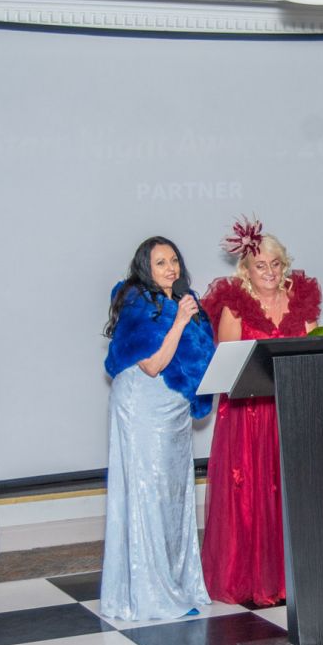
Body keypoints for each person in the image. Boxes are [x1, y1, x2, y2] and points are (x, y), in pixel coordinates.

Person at [199, 219, 321, 604]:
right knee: (249, 493)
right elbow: (228, 367)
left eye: (275, 264)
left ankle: (288, 577)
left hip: (290, 412)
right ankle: (250, 579)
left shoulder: (301, 300)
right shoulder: (235, 306)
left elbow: (314, 355)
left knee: (288, 492)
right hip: (247, 415)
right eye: (260, 265)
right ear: (246, 270)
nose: (269, 271)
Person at [100, 236, 214, 621]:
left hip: (173, 411)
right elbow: (153, 365)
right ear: (145, 268)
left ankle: (179, 583)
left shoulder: (185, 300)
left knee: (174, 497)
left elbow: (200, 359)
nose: (171, 268)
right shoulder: (138, 303)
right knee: (148, 495)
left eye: (174, 260)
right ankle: (151, 595)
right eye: (161, 262)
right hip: (143, 407)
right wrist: (180, 321)